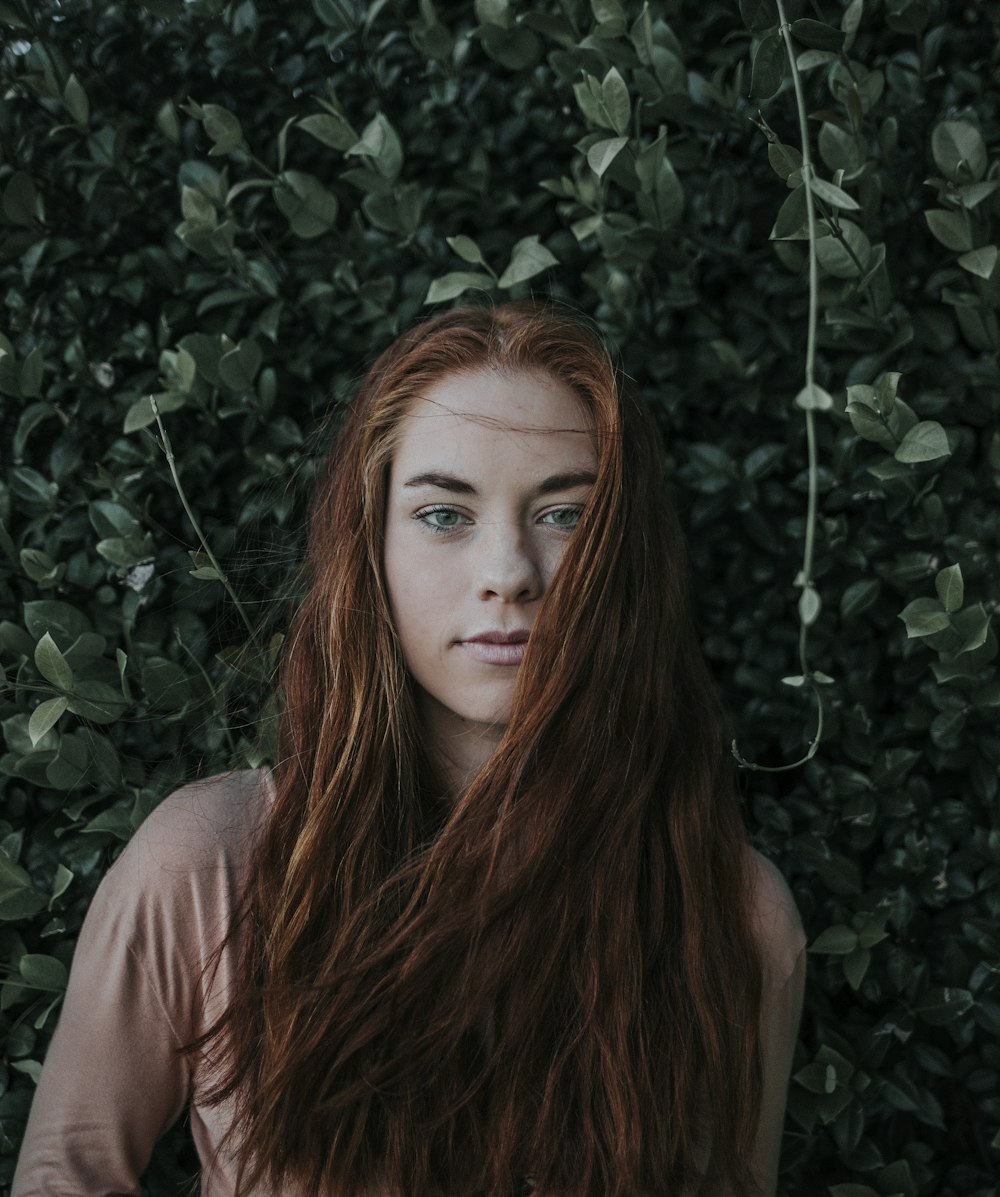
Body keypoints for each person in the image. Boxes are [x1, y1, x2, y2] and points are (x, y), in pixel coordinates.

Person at [12, 302, 806, 1197]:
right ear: (372, 546)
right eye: (443, 514)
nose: (508, 571)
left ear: (627, 555)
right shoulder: (207, 865)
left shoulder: (734, 916)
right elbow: (65, 1174)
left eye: (565, 515)